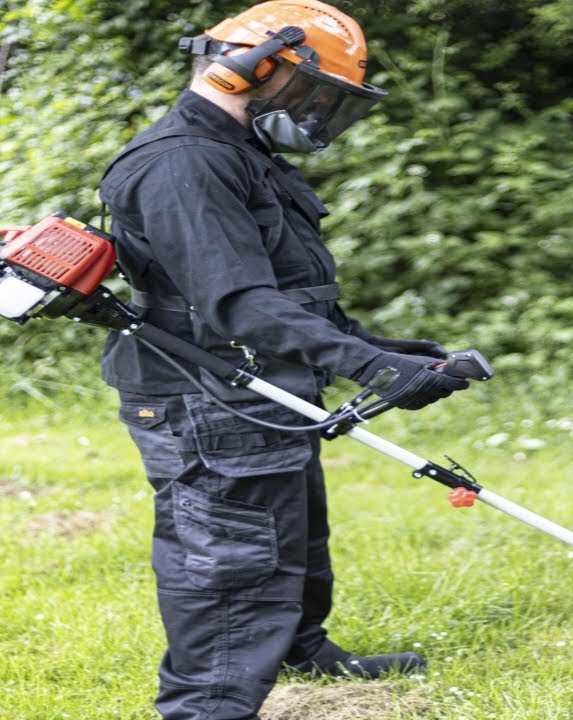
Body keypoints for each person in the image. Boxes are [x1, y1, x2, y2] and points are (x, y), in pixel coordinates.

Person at [98, 2, 470, 718]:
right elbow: (238, 305)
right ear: (256, 67)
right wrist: (369, 370)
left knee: (292, 528)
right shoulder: (184, 164)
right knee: (235, 559)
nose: (318, 109)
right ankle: (207, 704)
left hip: (255, 383)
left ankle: (303, 649)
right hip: (205, 394)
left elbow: (291, 296)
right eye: (313, 90)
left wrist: (393, 356)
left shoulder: (238, 156)